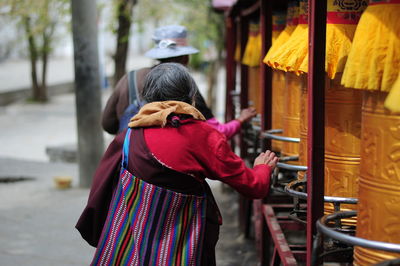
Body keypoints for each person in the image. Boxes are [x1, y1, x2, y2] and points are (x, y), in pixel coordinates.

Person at [76, 63, 278, 265]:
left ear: (148, 97)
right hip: (184, 248)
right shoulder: (203, 135)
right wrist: (263, 167)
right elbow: (255, 187)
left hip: (135, 247)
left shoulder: (129, 135)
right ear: (191, 97)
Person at [101, 25, 257, 139]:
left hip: (129, 165)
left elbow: (108, 124)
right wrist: (240, 120)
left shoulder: (130, 78)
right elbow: (216, 133)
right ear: (186, 58)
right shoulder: (186, 85)